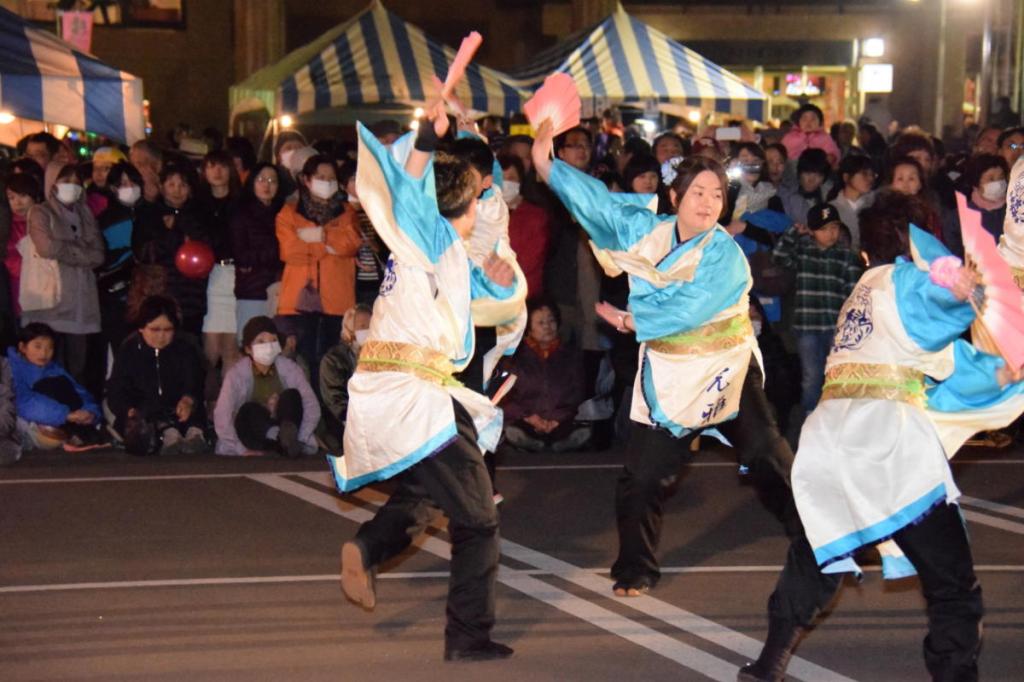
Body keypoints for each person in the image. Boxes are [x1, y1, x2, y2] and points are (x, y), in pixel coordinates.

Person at [531, 122, 832, 614]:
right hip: (668, 372)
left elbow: (692, 307)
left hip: (725, 367)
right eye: (698, 192)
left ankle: (828, 538)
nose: (708, 202)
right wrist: (548, 167)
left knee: (767, 454)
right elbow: (598, 205)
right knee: (642, 477)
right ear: (675, 197)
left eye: (717, 194)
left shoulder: (724, 252)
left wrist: (634, 320)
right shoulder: (646, 231)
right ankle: (635, 566)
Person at [742, 220, 1024, 682]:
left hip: (831, 440)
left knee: (819, 553)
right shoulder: (903, 280)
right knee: (952, 581)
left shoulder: (861, 297)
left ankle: (768, 665)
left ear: (864, 254)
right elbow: (935, 311)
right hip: (885, 449)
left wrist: (999, 373)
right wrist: (956, 293)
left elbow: (940, 364)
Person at [334, 104, 517, 662]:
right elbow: (412, 182)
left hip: (410, 388)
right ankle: (468, 636)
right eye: (480, 194)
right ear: (466, 199)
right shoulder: (430, 233)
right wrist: (425, 135)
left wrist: (495, 279)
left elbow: (472, 289)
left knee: (426, 490)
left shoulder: (440, 251)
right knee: (478, 519)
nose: (486, 200)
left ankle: (368, 547)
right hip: (414, 393)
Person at [275, 153, 362, 391]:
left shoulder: (347, 213)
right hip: (298, 303)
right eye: (321, 177)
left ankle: (330, 411)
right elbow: (290, 251)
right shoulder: (289, 212)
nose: (326, 182)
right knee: (302, 365)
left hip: (338, 302)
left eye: (331, 178)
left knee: (332, 365)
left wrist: (319, 235)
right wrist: (328, 246)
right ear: (307, 180)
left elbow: (350, 244)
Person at [773, 203, 864, 415]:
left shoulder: (847, 256)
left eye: (834, 227)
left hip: (836, 327)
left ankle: (837, 415)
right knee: (811, 375)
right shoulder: (803, 252)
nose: (830, 233)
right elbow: (778, 256)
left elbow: (853, 295)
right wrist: (794, 232)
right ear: (812, 231)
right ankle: (810, 415)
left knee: (837, 373)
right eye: (823, 229)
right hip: (808, 326)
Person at [20, 164, 105, 386]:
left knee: (78, 367)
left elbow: (98, 255)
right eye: (66, 181)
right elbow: (46, 248)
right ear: (52, 183)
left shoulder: (85, 214)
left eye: (77, 182)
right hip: (51, 299)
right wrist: (82, 251)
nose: (72, 187)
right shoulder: (41, 212)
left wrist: (65, 249)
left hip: (81, 303)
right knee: (48, 365)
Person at [106, 295, 206, 455]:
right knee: (147, 414)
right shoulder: (129, 350)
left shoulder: (185, 347)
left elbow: (195, 380)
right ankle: (167, 435)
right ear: (141, 328)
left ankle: (195, 434)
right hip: (144, 410)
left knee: (193, 412)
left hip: (178, 407)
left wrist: (188, 399)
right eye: (155, 329)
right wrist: (128, 409)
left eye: (167, 330)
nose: (161, 336)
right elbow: (117, 388)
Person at [213, 316, 320, 457]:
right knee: (248, 410)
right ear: (248, 348)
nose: (268, 346)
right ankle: (280, 440)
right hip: (256, 433)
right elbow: (222, 414)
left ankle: (288, 440)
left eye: (273, 340)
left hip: (286, 424)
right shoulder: (236, 375)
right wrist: (240, 449)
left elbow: (311, 404)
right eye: (261, 341)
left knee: (292, 396)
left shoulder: (290, 369)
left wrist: (301, 437)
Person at [133, 163, 211, 336]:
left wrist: (182, 225)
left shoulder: (199, 215)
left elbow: (207, 248)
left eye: (183, 185)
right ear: (162, 187)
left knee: (189, 342)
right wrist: (173, 235)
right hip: (160, 293)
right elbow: (143, 253)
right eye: (171, 184)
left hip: (192, 296)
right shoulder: (150, 214)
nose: (177, 190)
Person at [500, 299, 589, 452]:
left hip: (560, 420)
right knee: (515, 430)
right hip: (526, 419)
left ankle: (554, 441)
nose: (547, 326)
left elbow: (578, 393)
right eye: (540, 323)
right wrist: (530, 417)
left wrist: (557, 419)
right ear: (528, 327)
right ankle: (533, 442)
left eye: (551, 321)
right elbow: (505, 397)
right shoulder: (514, 357)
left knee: (579, 430)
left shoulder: (570, 355)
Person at [9, 323, 107, 452]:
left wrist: (90, 413)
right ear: (22, 347)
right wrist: (65, 415)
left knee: (60, 384)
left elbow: (81, 393)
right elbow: (22, 402)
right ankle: (75, 434)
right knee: (48, 386)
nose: (44, 353)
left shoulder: (54, 369)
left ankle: (80, 432)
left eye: (50, 348)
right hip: (25, 423)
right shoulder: (11, 368)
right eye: (37, 346)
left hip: (60, 420)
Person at [197, 150, 243, 398]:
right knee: (210, 349)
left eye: (222, 166)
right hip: (210, 276)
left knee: (232, 349)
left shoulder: (241, 202)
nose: (217, 172)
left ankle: (228, 406)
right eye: (211, 166)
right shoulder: (198, 204)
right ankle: (205, 403)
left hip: (237, 275)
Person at [230, 162, 285, 338]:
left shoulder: (284, 214)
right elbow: (241, 255)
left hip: (281, 289)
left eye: (272, 180)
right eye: (261, 179)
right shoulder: (242, 214)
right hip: (252, 290)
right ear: (252, 182)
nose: (266, 185)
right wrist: (277, 252)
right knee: (252, 340)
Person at [96, 162, 146, 353]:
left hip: (147, 294)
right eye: (123, 184)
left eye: (133, 182)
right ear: (113, 188)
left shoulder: (150, 213)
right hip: (116, 296)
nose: (130, 188)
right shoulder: (105, 220)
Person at [318, 303, 371, 448]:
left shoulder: (380, 357)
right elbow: (336, 400)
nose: (368, 330)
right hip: (344, 421)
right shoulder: (333, 360)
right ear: (349, 329)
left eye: (371, 325)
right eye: (362, 326)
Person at [500, 155, 550, 299]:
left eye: (511, 178)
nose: (505, 183)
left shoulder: (535, 216)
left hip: (525, 295)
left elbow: (529, 261)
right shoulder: (485, 213)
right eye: (501, 178)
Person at [941, 153, 1009, 257]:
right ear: (976, 183)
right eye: (991, 179)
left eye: (1001, 177)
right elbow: (955, 253)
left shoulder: (1014, 211)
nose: (998, 183)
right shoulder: (958, 217)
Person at [4, 173, 43, 318]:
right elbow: (9, 258)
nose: (17, 203)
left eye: (23, 196)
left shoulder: (48, 221)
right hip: (20, 288)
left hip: (50, 286)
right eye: (11, 198)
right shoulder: (7, 227)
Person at [828, 153, 876, 249]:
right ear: (846, 177)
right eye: (864, 174)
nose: (870, 179)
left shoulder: (875, 204)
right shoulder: (831, 209)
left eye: (872, 175)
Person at [778, 148, 832, 226]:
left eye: (818, 175)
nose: (811, 180)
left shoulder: (828, 196)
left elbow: (826, 220)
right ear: (799, 173)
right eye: (807, 173)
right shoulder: (786, 193)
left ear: (824, 179)